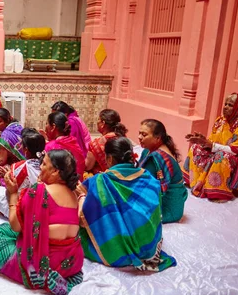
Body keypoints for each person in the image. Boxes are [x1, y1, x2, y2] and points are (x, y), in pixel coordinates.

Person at [0, 150, 85, 295]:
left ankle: (38, 275)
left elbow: (15, 225)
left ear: (56, 171)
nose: (40, 167)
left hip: (42, 265)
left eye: (44, 164)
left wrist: (13, 193)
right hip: (71, 263)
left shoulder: (39, 192)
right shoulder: (73, 194)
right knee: (8, 229)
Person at [78, 137, 176, 272]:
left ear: (110, 159)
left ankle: (117, 244)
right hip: (148, 244)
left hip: (116, 252)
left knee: (78, 235)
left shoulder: (100, 181)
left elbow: (84, 215)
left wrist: (81, 196)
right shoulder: (148, 178)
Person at [183, 93, 238, 202]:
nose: (225, 107)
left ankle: (218, 193)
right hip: (219, 150)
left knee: (221, 156)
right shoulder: (220, 121)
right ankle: (193, 181)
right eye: (225, 104)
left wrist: (212, 145)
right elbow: (213, 141)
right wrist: (201, 140)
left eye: (230, 105)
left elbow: (236, 150)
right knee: (196, 148)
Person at [0, 128, 45, 217]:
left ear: (26, 150)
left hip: (24, 212)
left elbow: (9, 195)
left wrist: (7, 178)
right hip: (43, 209)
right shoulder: (49, 164)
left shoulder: (19, 167)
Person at [138, 119, 187, 223]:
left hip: (168, 208)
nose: (139, 137)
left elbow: (143, 184)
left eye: (144, 134)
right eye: (139, 133)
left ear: (158, 138)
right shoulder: (147, 150)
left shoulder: (157, 157)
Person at [85, 109, 127, 175]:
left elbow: (88, 166)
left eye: (98, 119)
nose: (97, 122)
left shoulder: (96, 144)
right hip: (123, 176)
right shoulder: (123, 138)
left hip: (104, 179)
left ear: (103, 123)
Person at [44, 112, 86, 179]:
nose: (45, 127)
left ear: (53, 127)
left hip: (59, 187)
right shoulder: (74, 142)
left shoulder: (51, 147)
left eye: (47, 123)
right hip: (77, 185)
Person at [0, 108, 25, 180]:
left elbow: (1, 161)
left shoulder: (5, 136)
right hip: (26, 161)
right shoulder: (16, 126)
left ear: (7, 121)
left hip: (19, 168)